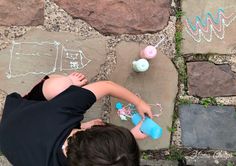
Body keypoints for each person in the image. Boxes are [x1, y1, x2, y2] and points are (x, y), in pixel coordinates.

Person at [0, 72, 153, 166]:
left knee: (58, 85)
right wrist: (131, 136)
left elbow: (107, 86)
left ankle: (67, 82)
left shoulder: (62, 110)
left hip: (17, 117)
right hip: (10, 147)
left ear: (98, 128)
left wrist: (139, 102)